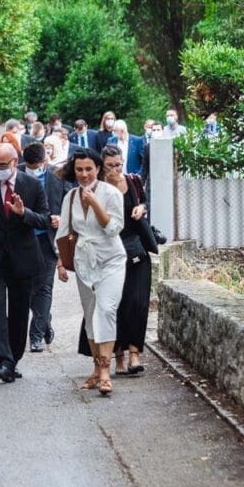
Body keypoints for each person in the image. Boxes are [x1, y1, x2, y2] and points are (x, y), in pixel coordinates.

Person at [0, 143, 50, 383]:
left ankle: (12, 360)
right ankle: (3, 361)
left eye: (2, 165)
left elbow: (44, 219)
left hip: (22, 259)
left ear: (15, 162)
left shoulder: (32, 185)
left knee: (19, 312)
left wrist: (24, 214)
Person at [55, 148, 125, 397]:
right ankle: (96, 368)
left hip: (111, 259)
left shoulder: (111, 193)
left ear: (98, 169)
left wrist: (95, 204)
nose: (84, 174)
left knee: (106, 309)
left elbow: (114, 229)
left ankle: (105, 370)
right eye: (79, 170)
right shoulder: (71, 196)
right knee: (91, 314)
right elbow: (64, 232)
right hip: (84, 260)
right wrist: (61, 263)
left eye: (88, 169)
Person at [101, 146, 155, 377]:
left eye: (118, 164)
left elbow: (145, 202)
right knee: (117, 304)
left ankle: (135, 354)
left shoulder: (133, 181)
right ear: (102, 166)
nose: (115, 169)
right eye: (110, 165)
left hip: (136, 250)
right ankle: (119, 356)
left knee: (138, 302)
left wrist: (141, 208)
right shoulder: (98, 189)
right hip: (110, 252)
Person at [20, 143, 66, 353]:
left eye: (37, 166)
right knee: (28, 288)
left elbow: (69, 201)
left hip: (48, 240)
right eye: (30, 166)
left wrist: (61, 218)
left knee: (44, 287)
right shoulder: (16, 174)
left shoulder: (57, 176)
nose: (34, 170)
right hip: (23, 240)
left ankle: (36, 336)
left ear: (44, 161)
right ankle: (45, 319)